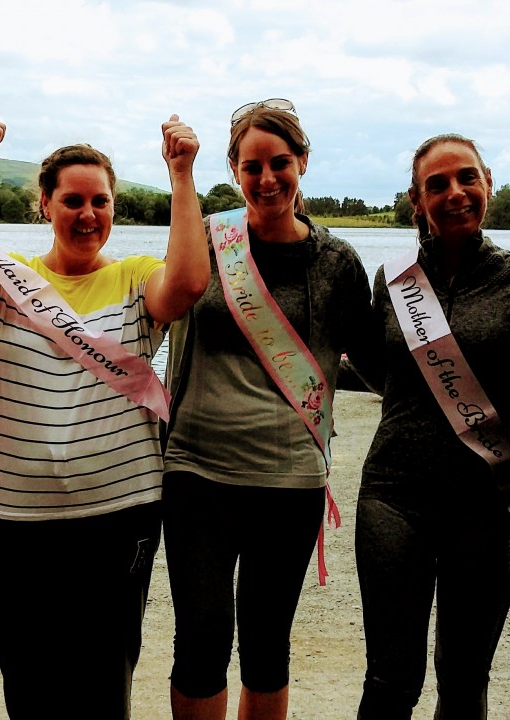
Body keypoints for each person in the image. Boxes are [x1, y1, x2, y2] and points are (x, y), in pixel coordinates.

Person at [0, 113, 208, 719]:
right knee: (29, 679)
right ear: (44, 205)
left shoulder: (135, 280)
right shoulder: (8, 280)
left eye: (100, 201)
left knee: (104, 678)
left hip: (118, 516)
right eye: (72, 200)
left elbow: (186, 284)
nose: (87, 214)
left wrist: (182, 175)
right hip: (16, 521)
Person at [160, 98, 377, 720]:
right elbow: (156, 305)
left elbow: (371, 361)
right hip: (196, 471)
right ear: (233, 169)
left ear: (302, 162)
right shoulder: (204, 239)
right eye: (251, 166)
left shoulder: (338, 263)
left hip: (289, 479)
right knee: (199, 639)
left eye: (280, 162)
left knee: (265, 644)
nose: (267, 179)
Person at [356, 134, 510, 718]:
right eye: (436, 185)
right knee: (391, 679)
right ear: (417, 200)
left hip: (487, 506)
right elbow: (374, 367)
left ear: (488, 182)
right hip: (394, 498)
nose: (454, 193)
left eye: (467, 178)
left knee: (465, 679)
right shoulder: (393, 280)